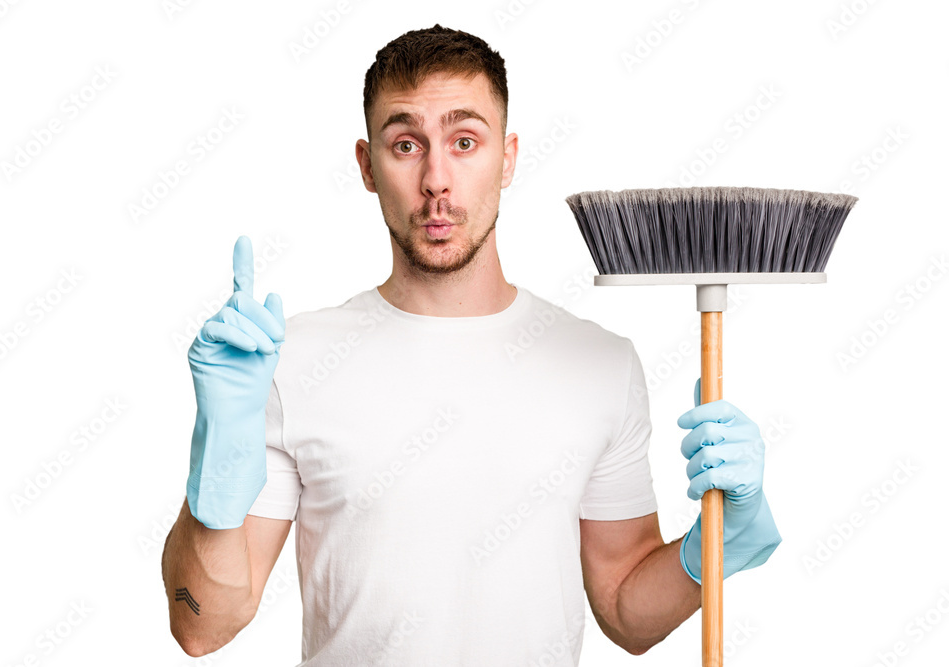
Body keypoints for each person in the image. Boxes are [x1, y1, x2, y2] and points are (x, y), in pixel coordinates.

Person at [161, 24, 782, 665]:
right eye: (406, 144)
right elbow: (203, 626)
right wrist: (216, 467)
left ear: (507, 157)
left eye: (464, 141)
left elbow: (628, 612)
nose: (436, 178)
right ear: (367, 165)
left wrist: (718, 543)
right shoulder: (289, 362)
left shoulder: (600, 365)